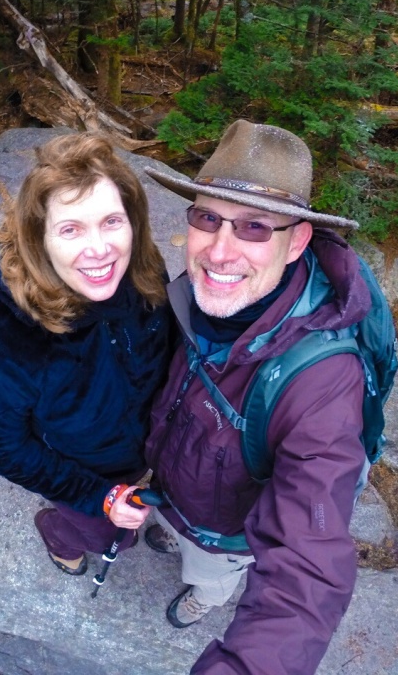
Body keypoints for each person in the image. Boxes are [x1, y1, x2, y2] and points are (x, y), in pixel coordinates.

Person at [106, 119, 370, 674]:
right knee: (171, 530)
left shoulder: (321, 382)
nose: (220, 251)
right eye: (208, 218)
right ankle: (173, 532)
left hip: (227, 533)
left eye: (255, 227)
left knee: (208, 570)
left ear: (297, 240)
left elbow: (307, 566)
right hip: (172, 483)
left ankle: (207, 593)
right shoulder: (195, 292)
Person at [0, 132, 172, 577]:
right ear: (40, 240)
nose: (99, 249)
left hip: (142, 452)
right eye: (71, 229)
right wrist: (99, 496)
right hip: (83, 471)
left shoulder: (145, 277)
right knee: (107, 537)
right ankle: (57, 532)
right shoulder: (5, 343)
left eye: (112, 222)